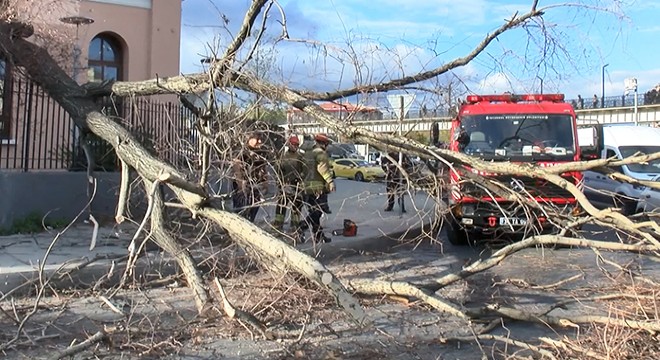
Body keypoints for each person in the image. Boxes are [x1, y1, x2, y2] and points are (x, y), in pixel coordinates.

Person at [297, 133, 335, 243]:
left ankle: (318, 236)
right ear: (324, 144)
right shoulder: (321, 154)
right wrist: (330, 182)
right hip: (318, 188)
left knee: (315, 212)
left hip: (307, 188)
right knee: (317, 211)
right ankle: (302, 226)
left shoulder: (307, 153)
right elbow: (322, 169)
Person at [231, 134, 269, 222]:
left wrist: (266, 182)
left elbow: (263, 168)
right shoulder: (241, 152)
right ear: (249, 139)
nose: (260, 142)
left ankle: (250, 223)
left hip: (255, 185)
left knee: (255, 206)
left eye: (261, 139)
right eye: (257, 139)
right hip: (242, 186)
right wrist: (241, 185)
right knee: (241, 209)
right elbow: (237, 169)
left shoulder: (260, 153)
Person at [272, 136, 305, 231]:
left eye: (296, 145)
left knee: (296, 208)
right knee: (281, 207)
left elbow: (305, 171)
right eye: (293, 144)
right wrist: (280, 183)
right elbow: (278, 171)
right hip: (285, 186)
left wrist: (301, 182)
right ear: (289, 144)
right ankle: (278, 225)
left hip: (296, 186)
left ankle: (294, 226)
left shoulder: (301, 157)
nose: (295, 146)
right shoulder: (282, 157)